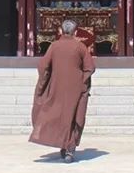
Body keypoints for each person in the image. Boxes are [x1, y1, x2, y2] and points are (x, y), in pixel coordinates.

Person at [29, 19, 95, 163]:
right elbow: (90, 68)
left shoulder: (54, 46)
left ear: (61, 31)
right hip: (76, 89)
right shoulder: (80, 47)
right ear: (75, 32)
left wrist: (44, 84)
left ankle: (64, 145)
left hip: (56, 87)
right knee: (73, 117)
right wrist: (83, 84)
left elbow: (43, 66)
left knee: (57, 115)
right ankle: (69, 149)